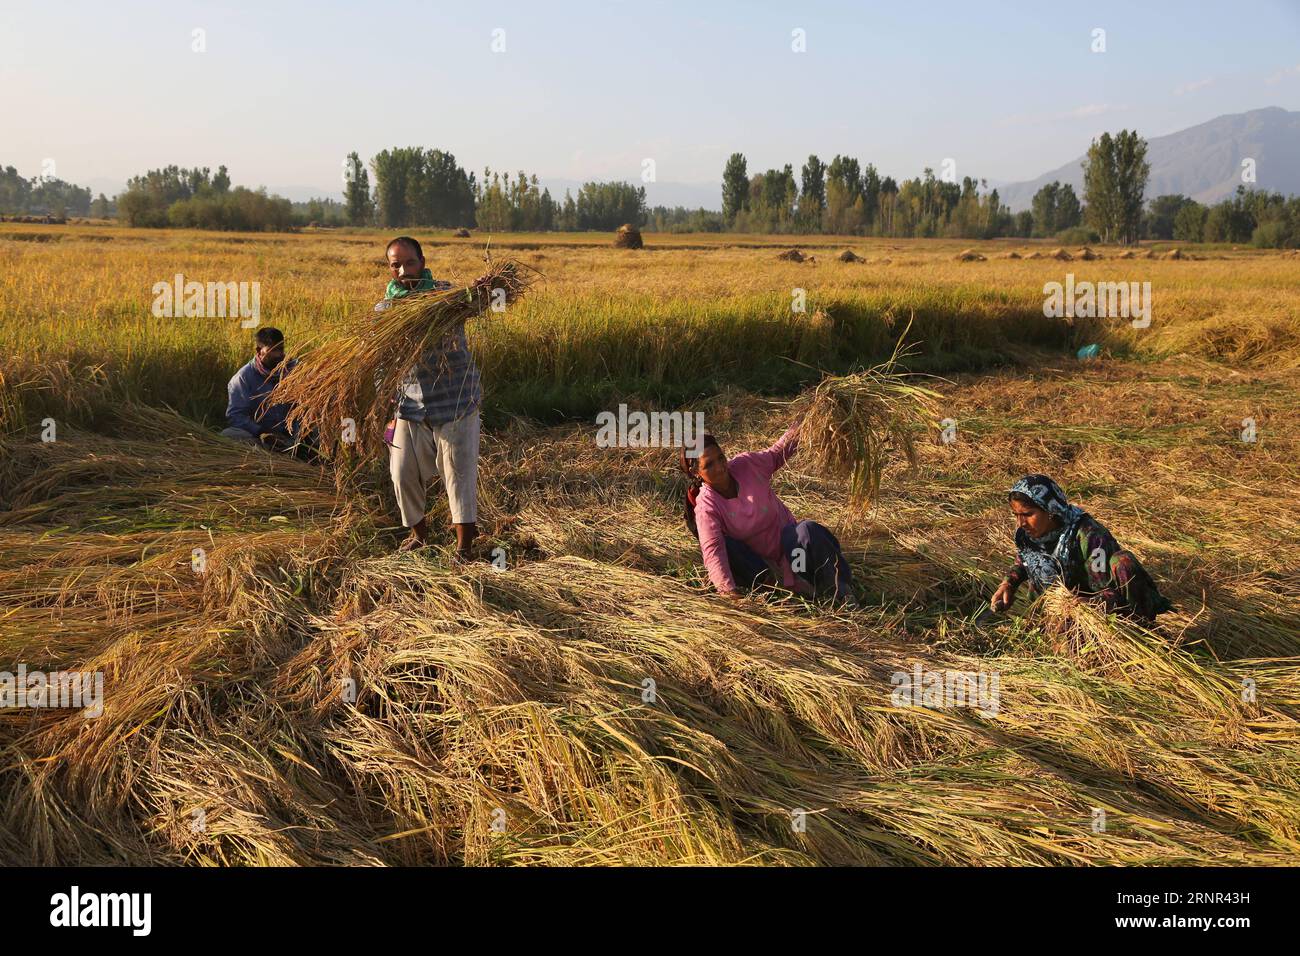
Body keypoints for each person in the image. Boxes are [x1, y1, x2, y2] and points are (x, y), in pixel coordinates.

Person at [378, 236, 482, 557]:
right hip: (408, 403)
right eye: (396, 264)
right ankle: (419, 535)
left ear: (422, 262)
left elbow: (475, 303)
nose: (403, 270)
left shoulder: (444, 295)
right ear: (390, 268)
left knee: (457, 471)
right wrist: (385, 405)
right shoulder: (385, 310)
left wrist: (484, 290)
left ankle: (464, 546)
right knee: (401, 471)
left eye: (410, 262)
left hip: (454, 399)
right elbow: (381, 362)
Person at [680, 419, 855, 605]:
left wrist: (806, 422)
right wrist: (729, 594)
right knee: (795, 566)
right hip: (770, 570)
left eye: (721, 458)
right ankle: (803, 589)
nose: (720, 467)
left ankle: (840, 590)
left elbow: (777, 454)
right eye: (709, 465)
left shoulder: (746, 466)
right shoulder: (707, 506)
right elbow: (714, 552)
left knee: (807, 531)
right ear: (695, 472)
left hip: (795, 553)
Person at [990, 474, 1172, 622]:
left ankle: (1139, 625)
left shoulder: (1089, 535)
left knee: (1123, 562)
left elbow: (1108, 591)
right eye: (1016, 515)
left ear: (1051, 511)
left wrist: (1088, 605)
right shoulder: (1028, 535)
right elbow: (1024, 561)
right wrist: (1008, 584)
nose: (1021, 523)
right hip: (1061, 607)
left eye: (1028, 514)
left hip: (1102, 605)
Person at [221, 327, 301, 453]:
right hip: (260, 438)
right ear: (259, 350)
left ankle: (298, 449)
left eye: (280, 349)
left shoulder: (294, 370)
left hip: (292, 435)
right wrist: (263, 433)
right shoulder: (243, 378)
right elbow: (236, 416)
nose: (278, 355)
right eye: (273, 350)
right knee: (229, 435)